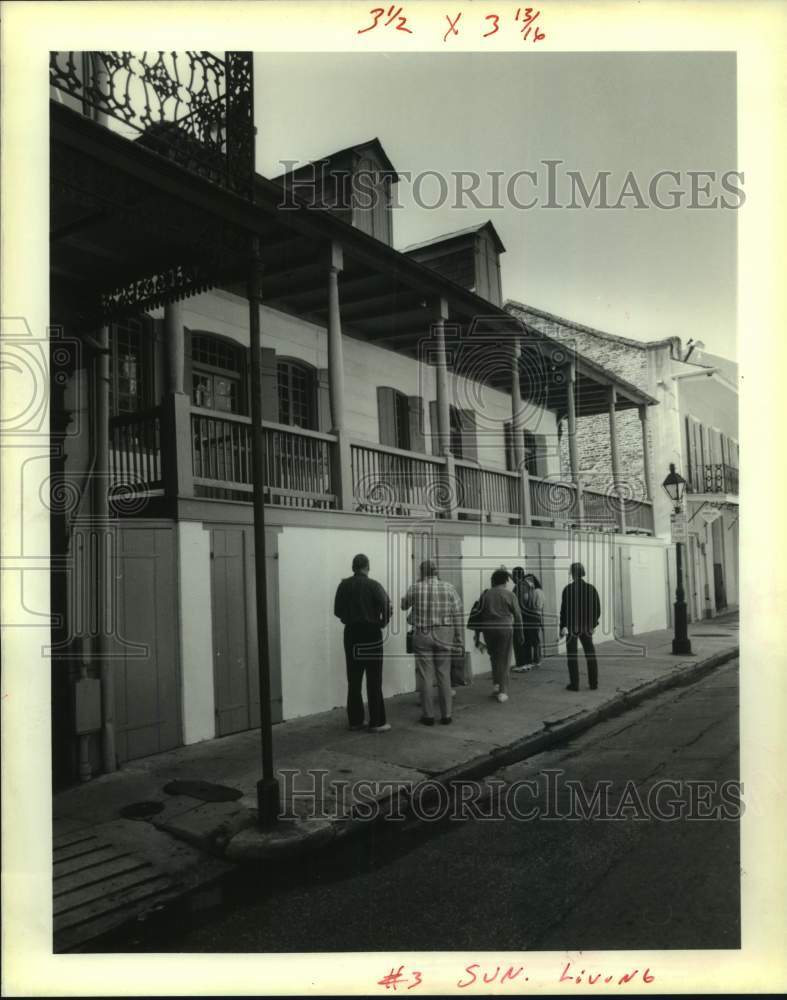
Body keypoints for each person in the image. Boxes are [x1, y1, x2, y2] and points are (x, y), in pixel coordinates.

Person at [334, 554, 392, 732]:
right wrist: (381, 623)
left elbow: (337, 611)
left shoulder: (343, 585)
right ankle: (377, 722)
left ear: (353, 567)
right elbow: (387, 606)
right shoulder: (374, 585)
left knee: (354, 678)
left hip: (351, 633)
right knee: (374, 679)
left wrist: (349, 620)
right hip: (371, 633)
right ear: (367, 567)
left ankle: (356, 721)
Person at [401, 560, 463, 726]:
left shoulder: (415, 587)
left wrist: (407, 600)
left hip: (422, 633)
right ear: (436, 572)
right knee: (444, 674)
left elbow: (403, 606)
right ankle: (446, 715)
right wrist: (458, 636)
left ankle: (428, 716)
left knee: (425, 675)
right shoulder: (449, 587)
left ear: (422, 572)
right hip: (444, 633)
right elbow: (457, 613)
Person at [474, 568, 522, 703]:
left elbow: (478, 615)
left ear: (493, 580)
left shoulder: (486, 595)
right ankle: (503, 691)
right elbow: (518, 615)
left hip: (488, 629)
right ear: (505, 581)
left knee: (494, 657)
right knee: (505, 659)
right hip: (504, 629)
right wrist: (521, 632)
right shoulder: (509, 594)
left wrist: (477, 636)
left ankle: (496, 684)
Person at [559, 562, 601, 692]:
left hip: (572, 627)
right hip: (586, 627)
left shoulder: (567, 589)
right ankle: (593, 683)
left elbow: (563, 611)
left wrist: (562, 627)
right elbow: (597, 609)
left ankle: (574, 684)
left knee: (572, 656)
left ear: (572, 573)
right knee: (590, 655)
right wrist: (593, 624)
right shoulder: (591, 588)